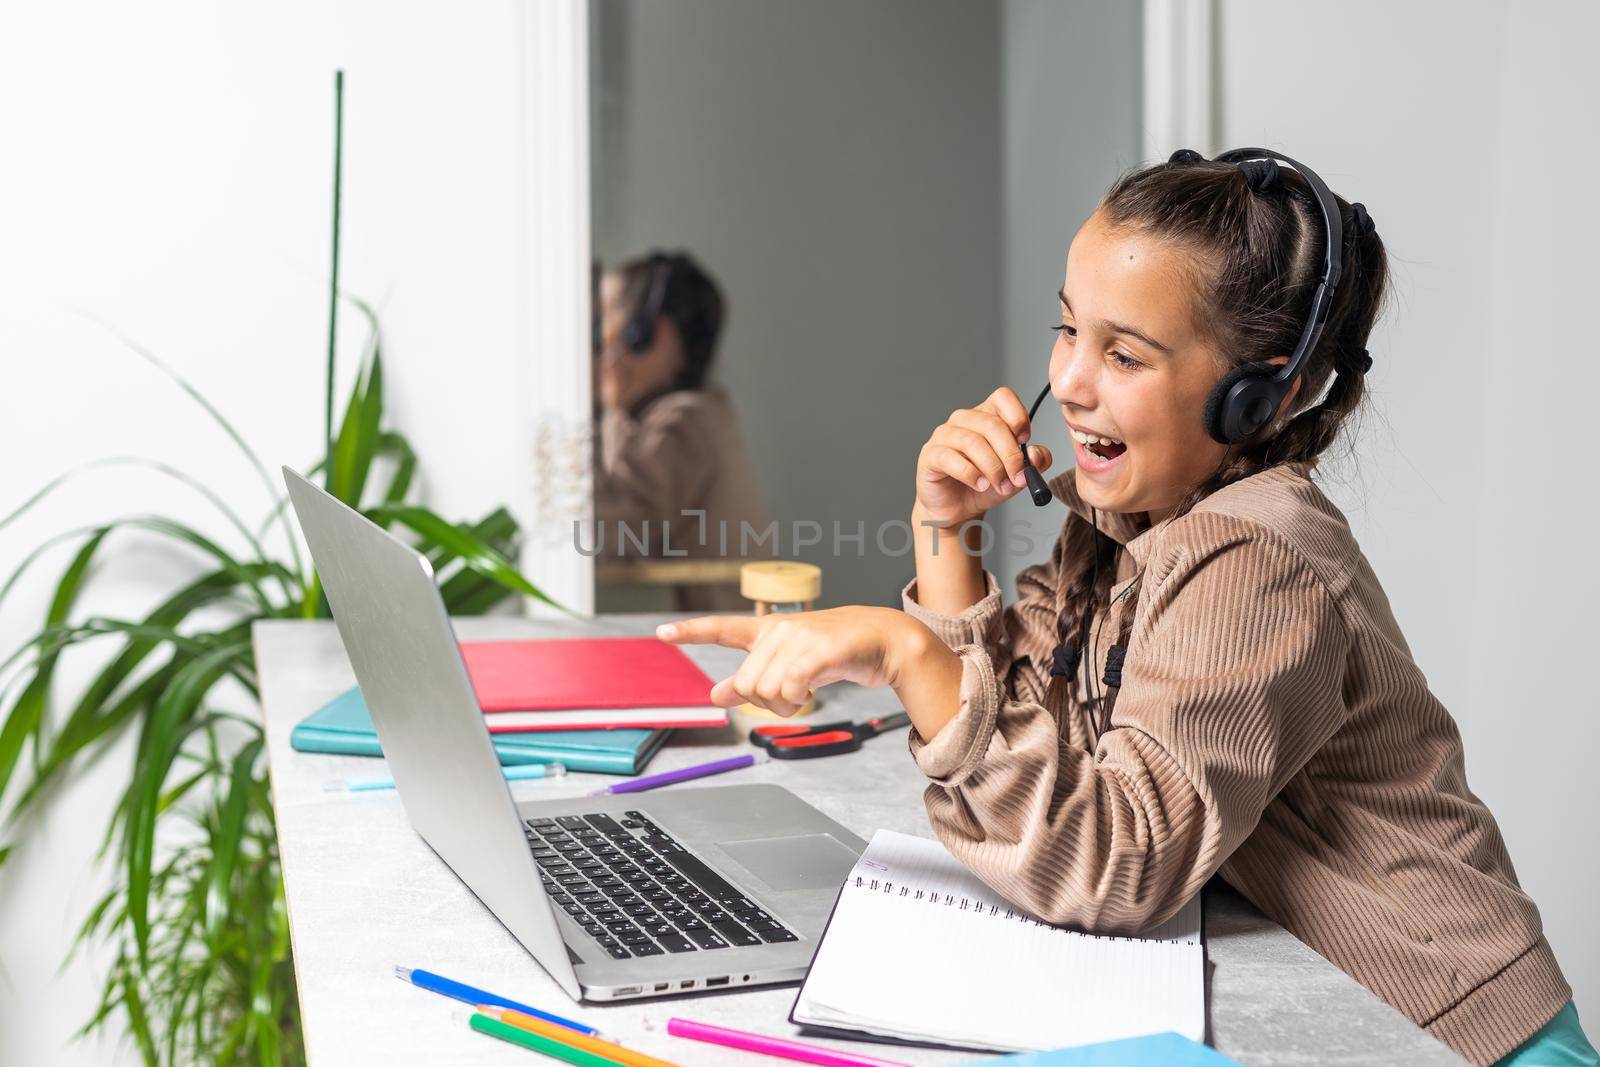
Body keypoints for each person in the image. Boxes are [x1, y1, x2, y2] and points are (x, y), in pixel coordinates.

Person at [656, 152, 1597, 1066]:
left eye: (1124, 353)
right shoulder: (1128, 521)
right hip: (1328, 1000)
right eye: (1069, 331)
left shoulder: (1256, 557)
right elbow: (1037, 749)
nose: (1068, 380)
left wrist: (912, 653)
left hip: (1449, 1028)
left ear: (1261, 395)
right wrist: (942, 531)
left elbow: (1115, 860)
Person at [592, 250, 769, 610]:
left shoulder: (686, 421)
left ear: (645, 332)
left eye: (608, 318)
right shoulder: (661, 415)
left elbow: (613, 541)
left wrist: (589, 405)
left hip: (714, 648)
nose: (601, 338)